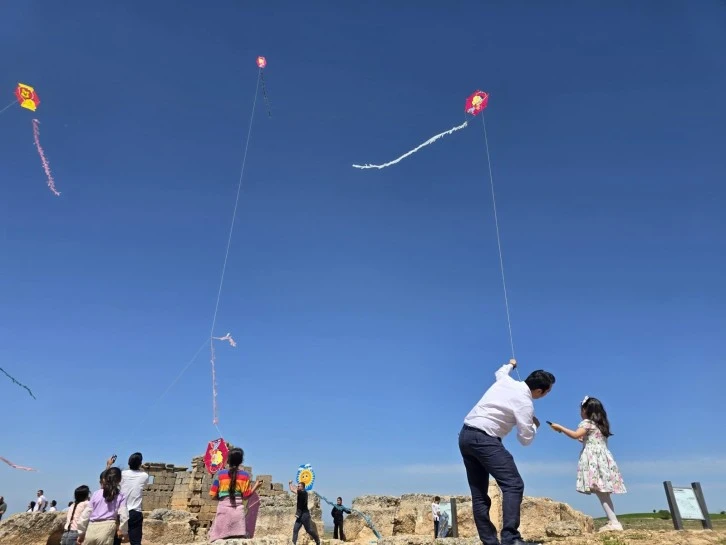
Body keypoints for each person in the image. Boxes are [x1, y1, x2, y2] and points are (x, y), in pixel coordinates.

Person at [459, 358, 555, 545]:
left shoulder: (506, 381)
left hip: (465, 435)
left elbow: (500, 372)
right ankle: (510, 538)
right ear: (539, 391)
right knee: (513, 484)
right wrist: (535, 426)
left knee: (479, 493)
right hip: (485, 438)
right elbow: (525, 439)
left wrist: (511, 364)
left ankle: (490, 541)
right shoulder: (525, 402)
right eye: (547, 392)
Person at [548, 396, 626, 533]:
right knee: (604, 493)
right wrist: (584, 440)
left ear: (586, 410)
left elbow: (574, 435)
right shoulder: (601, 425)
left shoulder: (587, 423)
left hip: (593, 460)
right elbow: (594, 440)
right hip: (604, 459)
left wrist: (560, 427)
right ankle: (613, 520)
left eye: (581, 409)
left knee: (600, 492)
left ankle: (614, 522)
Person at [208, 447, 263, 541]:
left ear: (228, 460)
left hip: (223, 513)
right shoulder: (245, 475)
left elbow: (212, 495)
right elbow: (246, 496)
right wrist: (256, 486)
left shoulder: (220, 475)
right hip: (238, 515)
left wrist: (222, 497)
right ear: (241, 461)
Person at [75, 468, 129, 545]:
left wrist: (81, 533)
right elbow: (124, 515)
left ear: (104, 479)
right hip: (107, 529)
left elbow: (86, 514)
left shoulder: (96, 494)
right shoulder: (121, 496)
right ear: (120, 480)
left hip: (91, 528)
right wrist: (123, 530)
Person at [113, 452, 150, 545]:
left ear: (128, 463)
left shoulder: (122, 474)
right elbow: (144, 483)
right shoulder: (144, 476)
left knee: (116, 540)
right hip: (135, 512)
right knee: (136, 542)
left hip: (120, 511)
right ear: (140, 463)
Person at [288, 480, 320, 545]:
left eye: (299, 486)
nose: (298, 487)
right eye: (298, 486)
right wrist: (290, 483)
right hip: (299, 515)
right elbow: (292, 489)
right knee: (295, 529)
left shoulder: (303, 493)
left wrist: (291, 484)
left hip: (305, 515)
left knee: (309, 530)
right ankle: (293, 543)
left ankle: (317, 539)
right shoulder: (300, 492)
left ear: (302, 487)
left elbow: (293, 489)